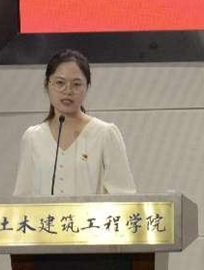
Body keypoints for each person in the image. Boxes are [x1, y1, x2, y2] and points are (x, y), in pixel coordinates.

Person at [13, 49, 137, 196]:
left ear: (86, 87)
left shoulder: (105, 134)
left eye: (76, 84)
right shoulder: (33, 137)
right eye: (60, 83)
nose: (68, 91)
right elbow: (23, 197)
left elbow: (124, 196)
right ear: (47, 85)